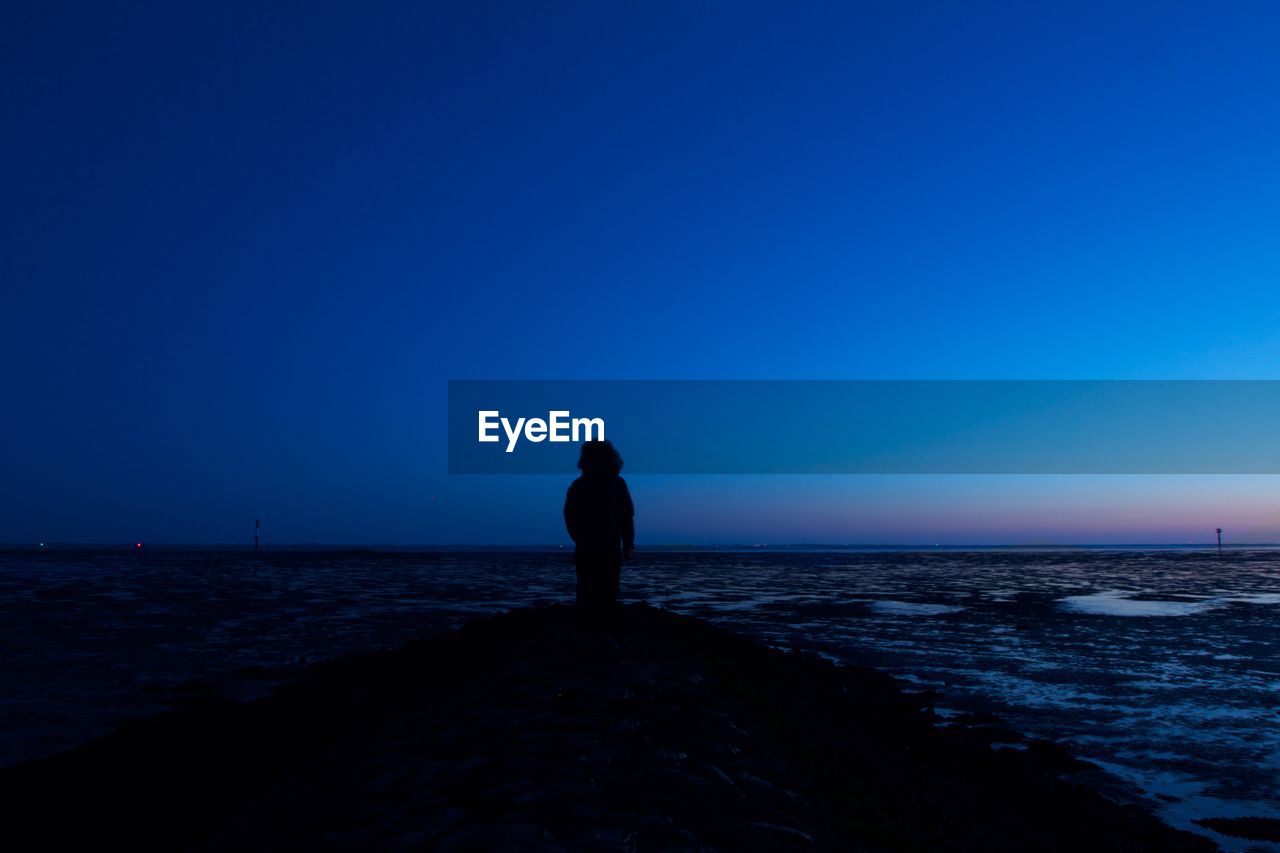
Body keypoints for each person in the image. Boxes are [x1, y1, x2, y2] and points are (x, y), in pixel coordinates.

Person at [563, 440, 634, 612]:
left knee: (602, 593)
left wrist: (628, 544)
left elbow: (626, 516)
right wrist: (581, 539)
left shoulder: (616, 484)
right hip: (590, 549)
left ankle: (600, 629)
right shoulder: (579, 485)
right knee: (591, 592)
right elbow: (570, 516)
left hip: (606, 549)